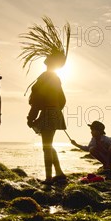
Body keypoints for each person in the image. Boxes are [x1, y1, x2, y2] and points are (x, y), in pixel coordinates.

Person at [20, 16, 70, 185]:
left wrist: (31, 117)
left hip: (49, 112)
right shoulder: (56, 78)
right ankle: (60, 173)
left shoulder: (45, 77)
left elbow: (36, 100)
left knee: (46, 146)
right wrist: (56, 110)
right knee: (49, 144)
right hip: (55, 112)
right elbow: (63, 100)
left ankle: (49, 178)